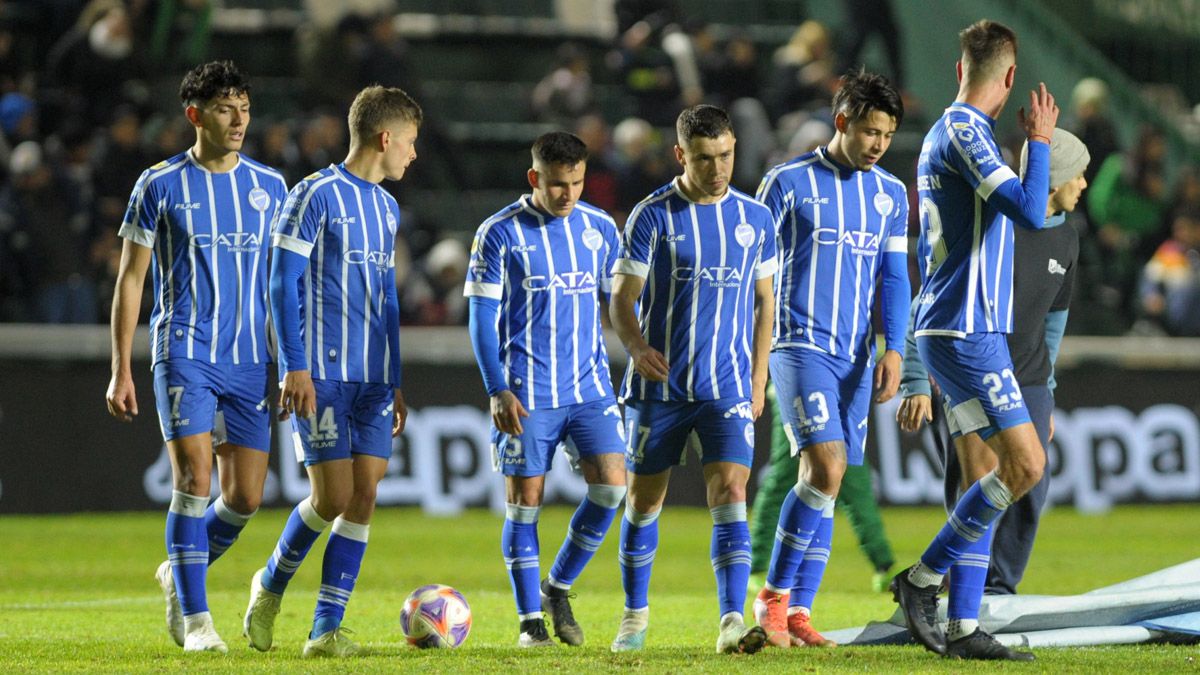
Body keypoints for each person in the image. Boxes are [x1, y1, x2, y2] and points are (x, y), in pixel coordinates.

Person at [104, 61, 287, 653]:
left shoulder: (270, 187)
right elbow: (131, 279)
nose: (238, 120)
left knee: (245, 498)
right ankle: (198, 623)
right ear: (195, 115)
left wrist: (291, 364)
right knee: (193, 479)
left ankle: (178, 570)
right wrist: (120, 367)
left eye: (244, 108)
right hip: (184, 349)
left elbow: (281, 284)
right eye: (225, 109)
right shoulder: (158, 184)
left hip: (249, 358)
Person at [890, 20, 1058, 661]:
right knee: (1027, 466)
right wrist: (1037, 143)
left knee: (984, 473)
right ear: (1009, 77)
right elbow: (1031, 210)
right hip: (965, 329)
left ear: (960, 68)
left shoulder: (957, 133)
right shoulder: (964, 131)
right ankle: (922, 579)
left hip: (958, 327)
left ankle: (963, 625)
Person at [242, 85, 419, 658]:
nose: (413, 154)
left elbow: (386, 299)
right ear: (385, 138)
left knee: (364, 495)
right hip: (321, 373)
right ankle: (270, 584)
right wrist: (293, 365)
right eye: (410, 142)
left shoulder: (387, 207)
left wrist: (394, 376)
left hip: (373, 379)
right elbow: (280, 282)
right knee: (332, 497)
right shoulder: (313, 194)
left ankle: (324, 628)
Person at [609, 104, 776, 655]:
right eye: (704, 158)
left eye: (725, 155)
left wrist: (758, 377)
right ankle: (634, 615)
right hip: (660, 389)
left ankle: (731, 620)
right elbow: (622, 300)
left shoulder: (756, 219)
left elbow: (765, 303)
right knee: (643, 502)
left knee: (731, 492)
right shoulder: (652, 216)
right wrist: (637, 348)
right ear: (681, 155)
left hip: (727, 386)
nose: (718, 168)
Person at [752, 69, 910, 649]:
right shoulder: (786, 183)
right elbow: (755, 277)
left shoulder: (891, 194)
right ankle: (772, 598)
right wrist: (753, 355)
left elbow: (895, 278)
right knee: (827, 468)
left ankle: (799, 612)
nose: (878, 144)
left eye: (887, 135)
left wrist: (895, 347)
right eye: (870, 131)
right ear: (842, 121)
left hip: (855, 359)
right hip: (797, 347)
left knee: (825, 481)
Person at [898, 128, 1090, 597]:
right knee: (974, 483)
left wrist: (1046, 390)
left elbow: (1053, 322)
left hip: (1030, 380)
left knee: (1031, 484)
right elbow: (929, 301)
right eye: (1080, 174)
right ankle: (956, 589)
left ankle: (998, 590)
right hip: (974, 371)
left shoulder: (1068, 239)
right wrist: (915, 378)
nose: (1084, 184)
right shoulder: (995, 225)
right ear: (1057, 178)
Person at [464, 131, 627, 648]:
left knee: (612, 488)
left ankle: (556, 588)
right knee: (525, 503)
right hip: (526, 393)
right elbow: (480, 318)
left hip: (589, 388)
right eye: (557, 184)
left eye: (576, 183)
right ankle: (530, 623)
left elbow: (621, 305)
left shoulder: (600, 229)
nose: (568, 194)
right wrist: (496, 388)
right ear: (534, 178)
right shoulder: (499, 233)